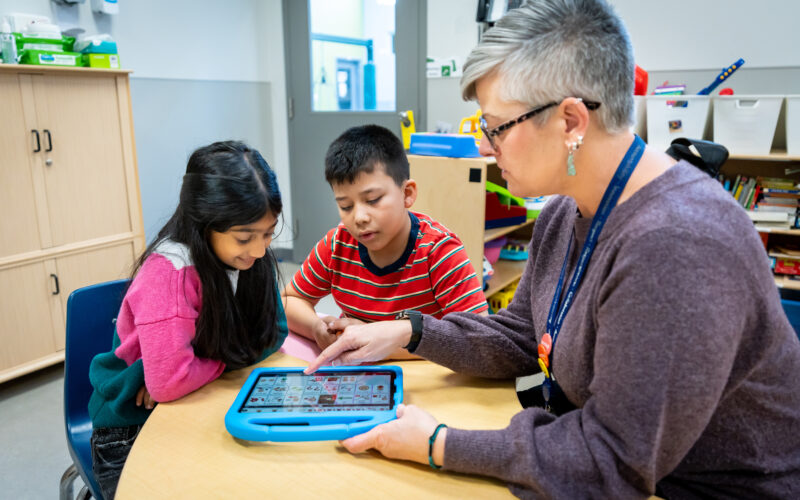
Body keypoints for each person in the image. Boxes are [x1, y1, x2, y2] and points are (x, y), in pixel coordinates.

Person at [305, 1, 800, 498]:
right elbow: (523, 336)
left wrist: (440, 443)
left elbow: (612, 462)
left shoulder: (676, 245)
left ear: (569, 121)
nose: (485, 146)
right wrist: (410, 332)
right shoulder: (568, 210)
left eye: (496, 127)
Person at [88, 141, 288, 499]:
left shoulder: (250, 258)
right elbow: (168, 384)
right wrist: (189, 371)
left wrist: (199, 366)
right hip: (132, 426)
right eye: (245, 238)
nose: (259, 251)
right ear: (204, 224)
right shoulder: (169, 275)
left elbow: (275, 332)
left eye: (268, 233)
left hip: (208, 399)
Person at [283, 125, 488, 358]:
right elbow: (289, 299)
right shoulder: (337, 245)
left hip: (424, 382)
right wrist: (316, 327)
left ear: (407, 193)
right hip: (357, 380)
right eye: (346, 206)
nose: (359, 217)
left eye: (373, 200)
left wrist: (385, 345)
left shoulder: (439, 252)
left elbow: (478, 337)